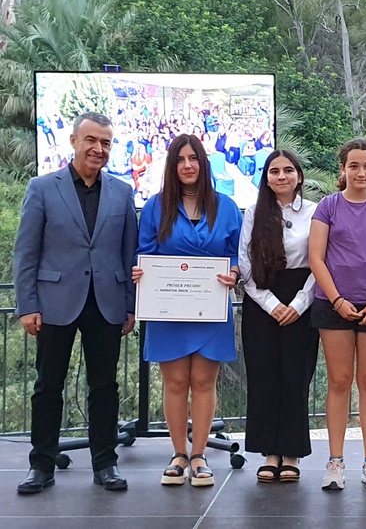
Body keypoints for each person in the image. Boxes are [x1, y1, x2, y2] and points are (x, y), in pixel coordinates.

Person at [14, 112, 138, 494]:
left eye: (105, 143)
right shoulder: (42, 188)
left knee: (105, 387)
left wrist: (130, 305)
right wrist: (27, 305)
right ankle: (42, 466)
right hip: (54, 303)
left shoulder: (122, 192)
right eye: (91, 141)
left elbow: (128, 254)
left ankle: (106, 465)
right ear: (73, 141)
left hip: (107, 303)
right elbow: (26, 252)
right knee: (48, 385)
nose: (98, 149)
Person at [132, 134, 241, 487]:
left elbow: (238, 254)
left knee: (203, 382)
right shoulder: (155, 206)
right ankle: (178, 454)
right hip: (168, 308)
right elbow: (144, 250)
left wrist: (235, 272)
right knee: (176, 382)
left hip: (210, 308)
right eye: (180, 160)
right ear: (172, 166)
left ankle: (199, 456)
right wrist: (139, 269)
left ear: (203, 163)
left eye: (193, 158)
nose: (187, 165)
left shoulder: (225, 207)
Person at [309, 139, 366, 491]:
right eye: (354, 166)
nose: (360, 172)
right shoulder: (327, 207)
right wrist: (336, 301)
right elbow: (317, 257)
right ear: (342, 169)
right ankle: (335, 462)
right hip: (334, 306)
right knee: (338, 381)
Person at [238, 150, 319, 483]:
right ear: (266, 177)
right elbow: (244, 261)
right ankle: (269, 451)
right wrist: (270, 303)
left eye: (288, 170)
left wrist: (299, 304)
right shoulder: (255, 212)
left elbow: (321, 262)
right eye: (274, 171)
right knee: (265, 377)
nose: (281, 176)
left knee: (296, 377)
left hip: (303, 300)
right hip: (262, 303)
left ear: (299, 176)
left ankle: (292, 453)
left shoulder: (315, 212)